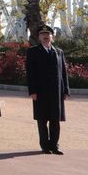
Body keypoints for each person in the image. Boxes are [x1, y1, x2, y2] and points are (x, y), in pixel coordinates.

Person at [26, 25, 70, 155]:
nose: (45, 36)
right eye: (42, 34)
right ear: (39, 37)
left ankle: (54, 145)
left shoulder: (58, 52)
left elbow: (63, 73)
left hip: (56, 92)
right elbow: (30, 73)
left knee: (55, 120)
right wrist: (32, 91)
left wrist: (65, 90)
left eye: (48, 34)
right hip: (40, 92)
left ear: (52, 36)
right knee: (42, 119)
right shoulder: (33, 51)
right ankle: (45, 146)